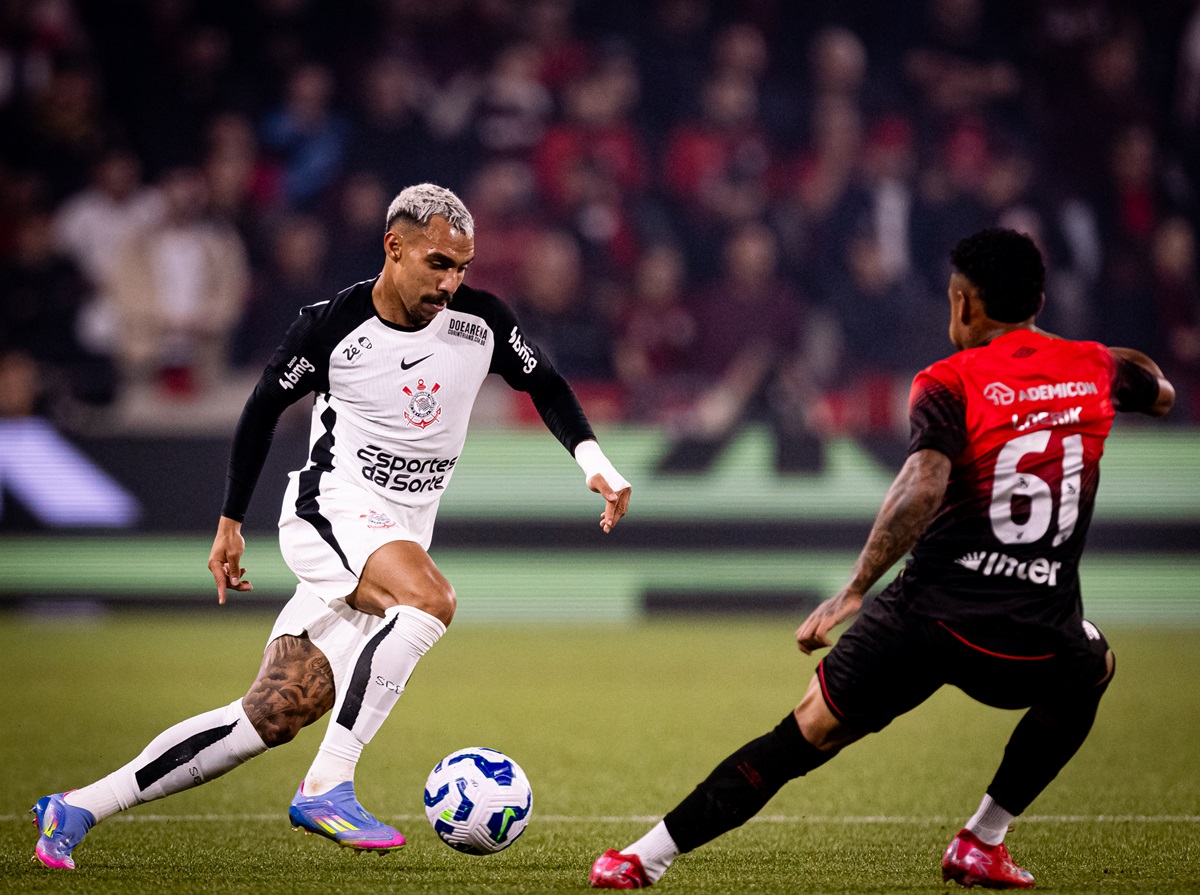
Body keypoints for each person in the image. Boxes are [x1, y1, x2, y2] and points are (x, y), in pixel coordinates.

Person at [31, 183, 632, 870]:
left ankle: (79, 805)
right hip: (330, 510)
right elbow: (259, 411)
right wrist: (229, 522)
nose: (451, 281)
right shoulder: (331, 325)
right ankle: (329, 782)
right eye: (438, 263)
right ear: (394, 246)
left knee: (270, 714)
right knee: (431, 600)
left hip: (391, 535)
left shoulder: (481, 321)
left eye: (462, 266)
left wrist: (595, 462)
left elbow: (546, 383)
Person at [589, 227, 1174, 891]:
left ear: (962, 305)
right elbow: (1159, 391)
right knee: (1092, 664)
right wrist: (1087, 357)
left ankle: (641, 857)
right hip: (1029, 636)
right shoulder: (1092, 367)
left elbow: (922, 485)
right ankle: (983, 838)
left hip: (925, 621)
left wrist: (855, 587)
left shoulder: (948, 379)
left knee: (802, 736)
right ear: (1040, 299)